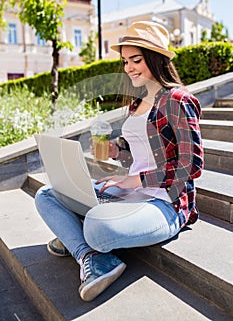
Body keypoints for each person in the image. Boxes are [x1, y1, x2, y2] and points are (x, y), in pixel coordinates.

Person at [35, 21, 204, 302]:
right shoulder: (137, 102)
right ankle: (92, 257)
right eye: (125, 61)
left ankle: (73, 237)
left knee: (97, 226)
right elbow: (139, 154)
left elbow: (192, 165)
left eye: (136, 60)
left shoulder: (178, 100)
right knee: (47, 194)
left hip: (165, 204)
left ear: (156, 58)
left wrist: (136, 180)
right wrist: (115, 151)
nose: (128, 68)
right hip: (129, 195)